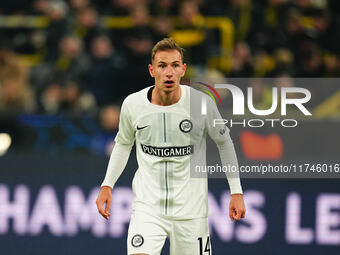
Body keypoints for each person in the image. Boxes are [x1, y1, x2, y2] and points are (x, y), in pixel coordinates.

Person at [96, 38, 246, 255]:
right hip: (148, 209)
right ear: (151, 70)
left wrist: (236, 192)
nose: (169, 72)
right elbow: (122, 144)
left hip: (191, 213)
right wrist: (107, 185)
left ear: (183, 70)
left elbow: (225, 143)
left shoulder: (201, 104)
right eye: (162, 65)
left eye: (175, 65)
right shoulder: (133, 104)